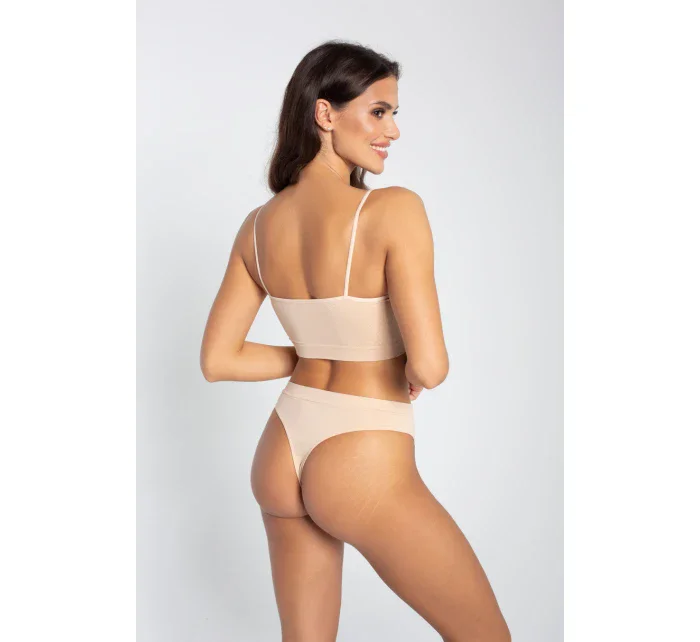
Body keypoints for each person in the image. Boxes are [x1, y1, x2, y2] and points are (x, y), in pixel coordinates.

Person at [200, 40, 511, 642]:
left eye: (393, 114)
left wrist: (312, 353)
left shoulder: (258, 226)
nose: (392, 131)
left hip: (282, 446)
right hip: (361, 453)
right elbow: (431, 366)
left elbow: (218, 359)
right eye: (379, 111)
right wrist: (403, 365)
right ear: (325, 113)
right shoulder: (394, 210)